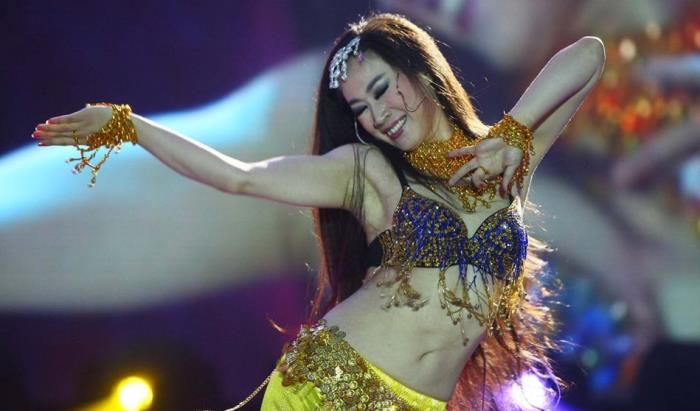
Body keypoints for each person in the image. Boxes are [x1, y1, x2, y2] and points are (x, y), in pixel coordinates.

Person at [31, 13, 605, 411]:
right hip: (330, 388)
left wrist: (511, 133)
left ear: (420, 71)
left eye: (382, 89)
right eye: (361, 109)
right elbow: (240, 176)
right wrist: (130, 126)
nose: (378, 115)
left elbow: (589, 55)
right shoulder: (369, 169)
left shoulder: (508, 169)